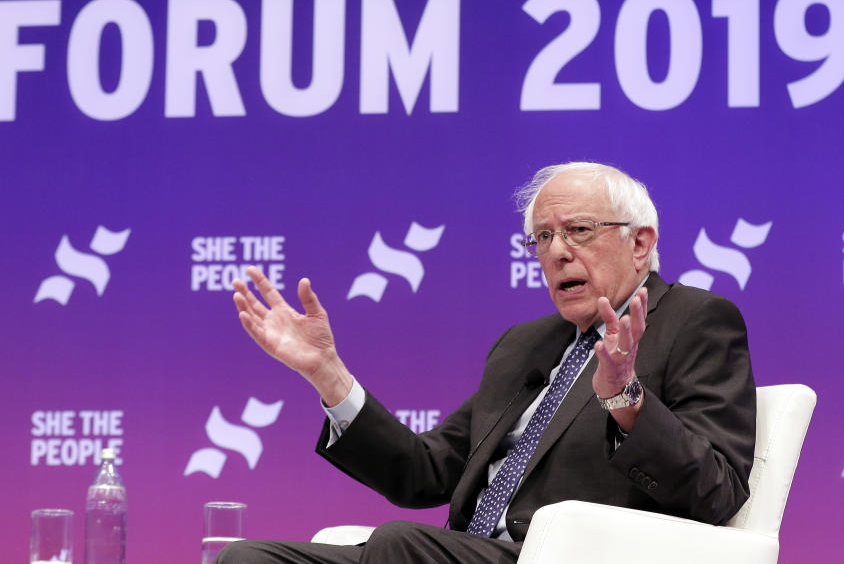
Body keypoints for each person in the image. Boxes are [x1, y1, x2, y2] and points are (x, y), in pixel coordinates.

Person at [219, 162, 756, 564]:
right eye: (543, 237)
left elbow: (717, 491)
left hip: (564, 556)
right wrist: (327, 374)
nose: (558, 252)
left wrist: (625, 399)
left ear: (640, 243)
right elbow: (424, 472)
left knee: (400, 544)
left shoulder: (695, 320)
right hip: (460, 555)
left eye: (580, 231)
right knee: (246, 560)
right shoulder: (525, 345)